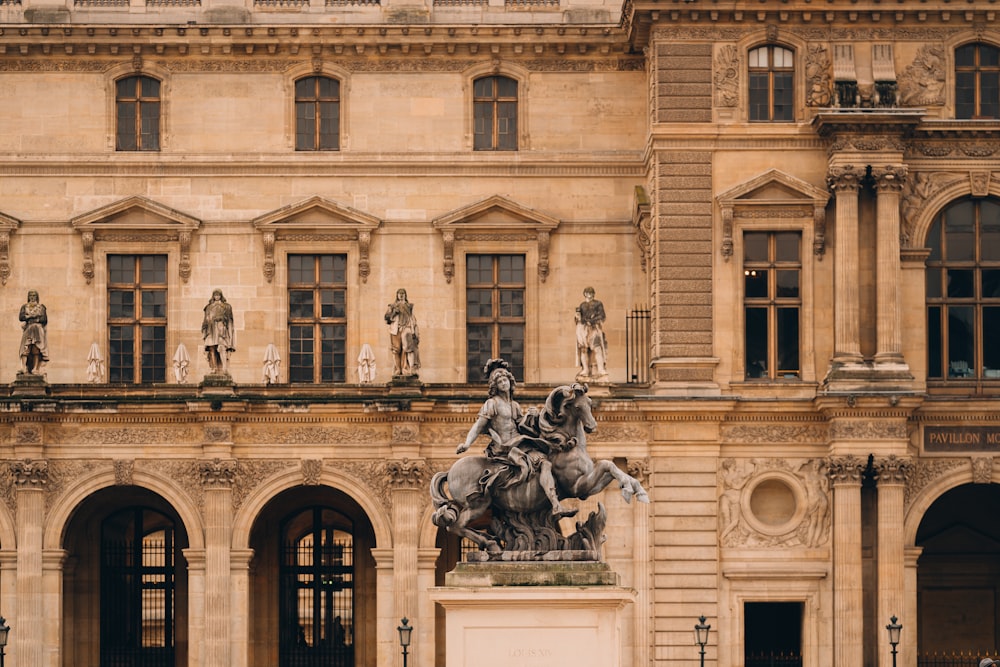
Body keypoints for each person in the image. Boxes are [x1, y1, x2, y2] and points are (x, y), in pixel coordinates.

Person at [457, 359, 576, 518]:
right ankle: (555, 505)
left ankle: (554, 504)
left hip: (520, 443)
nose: (503, 383)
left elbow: (522, 426)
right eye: (499, 381)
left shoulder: (515, 406)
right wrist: (467, 443)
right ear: (495, 386)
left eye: (505, 380)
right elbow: (478, 425)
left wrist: (531, 415)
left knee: (547, 461)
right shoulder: (492, 403)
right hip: (506, 447)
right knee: (544, 463)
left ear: (510, 382)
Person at [384, 289, 420, 377]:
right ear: (397, 295)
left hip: (406, 328)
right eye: (399, 294)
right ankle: (397, 369)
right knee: (396, 350)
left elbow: (413, 319)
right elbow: (387, 318)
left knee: (405, 349)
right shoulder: (392, 306)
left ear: (405, 295)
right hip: (395, 330)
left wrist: (414, 331)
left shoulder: (409, 306)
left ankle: (405, 369)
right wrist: (393, 313)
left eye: (402, 293)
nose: (401, 295)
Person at [575, 286, 608, 380]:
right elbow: (579, 317)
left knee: (597, 348)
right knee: (583, 349)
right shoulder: (582, 305)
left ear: (593, 294)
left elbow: (602, 316)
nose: (589, 295)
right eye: (587, 293)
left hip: (594, 328)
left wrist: (592, 321)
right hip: (583, 328)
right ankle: (585, 369)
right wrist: (577, 317)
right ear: (585, 294)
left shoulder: (598, 303)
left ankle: (601, 369)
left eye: (591, 293)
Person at [202, 289, 235, 375]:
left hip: (221, 328)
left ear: (221, 296)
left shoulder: (226, 306)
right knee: (211, 348)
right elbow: (205, 320)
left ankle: (224, 367)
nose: (217, 297)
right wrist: (204, 331)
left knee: (222, 347)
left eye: (218, 295)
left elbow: (230, 321)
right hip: (211, 329)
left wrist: (230, 336)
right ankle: (213, 367)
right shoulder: (209, 307)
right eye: (215, 295)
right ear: (213, 296)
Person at [19, 290, 49, 375]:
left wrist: (30, 316)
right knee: (25, 348)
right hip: (28, 328)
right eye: (30, 295)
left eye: (34, 295)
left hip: (38, 329)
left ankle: (35, 368)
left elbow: (44, 319)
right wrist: (34, 316)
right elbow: (21, 317)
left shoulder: (41, 307)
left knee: (36, 349)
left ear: (37, 297)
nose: (32, 297)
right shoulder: (24, 307)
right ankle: (23, 367)